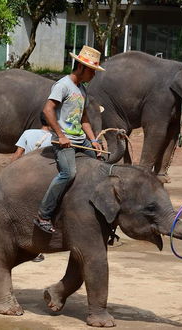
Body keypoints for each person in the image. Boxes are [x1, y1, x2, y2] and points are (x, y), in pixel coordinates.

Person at [33, 45, 105, 234]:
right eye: (92, 71)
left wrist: (94, 141)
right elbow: (47, 110)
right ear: (81, 67)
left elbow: (84, 119)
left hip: (81, 139)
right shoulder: (63, 85)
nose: (93, 76)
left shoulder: (82, 89)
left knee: (101, 163)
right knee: (68, 173)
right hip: (64, 140)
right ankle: (43, 215)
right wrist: (61, 135)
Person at [11, 113, 53, 262]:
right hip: (43, 180)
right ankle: (36, 248)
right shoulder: (55, 138)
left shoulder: (28, 133)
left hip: (24, 177)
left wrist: (9, 173)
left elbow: (17, 155)